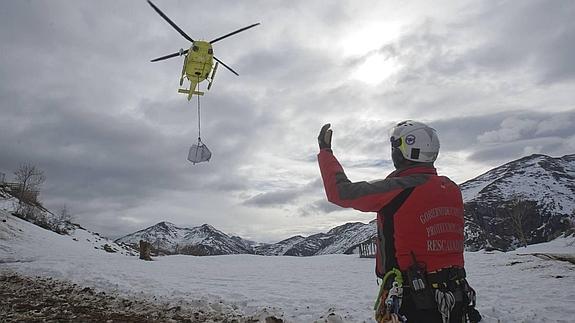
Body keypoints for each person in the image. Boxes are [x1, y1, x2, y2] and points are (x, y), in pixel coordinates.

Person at [317, 121, 481, 323]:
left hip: (412, 296)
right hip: (455, 293)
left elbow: (340, 192)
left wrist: (326, 152)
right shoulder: (452, 189)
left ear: (404, 150)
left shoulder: (400, 187)